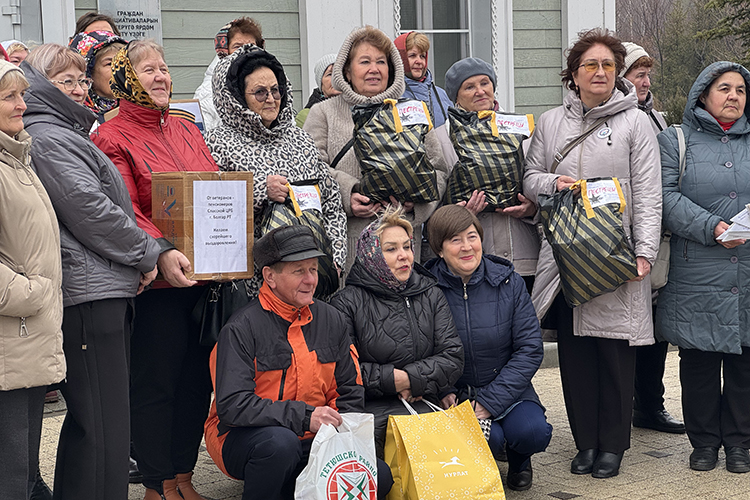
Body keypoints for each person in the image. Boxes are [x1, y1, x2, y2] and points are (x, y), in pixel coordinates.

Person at [22, 43, 161, 500]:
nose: (81, 89)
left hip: (99, 289)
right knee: (99, 427)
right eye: (68, 81)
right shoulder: (48, 137)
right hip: (88, 296)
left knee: (107, 428)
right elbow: (92, 211)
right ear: (42, 87)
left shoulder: (64, 132)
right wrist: (147, 253)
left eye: (83, 79)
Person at [523, 28, 661, 479]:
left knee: (615, 355)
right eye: (590, 65)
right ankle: (586, 443)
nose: (599, 72)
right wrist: (552, 183)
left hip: (615, 254)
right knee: (577, 356)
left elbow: (647, 192)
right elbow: (531, 178)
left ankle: (613, 447)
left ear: (617, 72)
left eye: (607, 65)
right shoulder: (550, 122)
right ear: (574, 74)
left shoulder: (636, 122)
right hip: (566, 256)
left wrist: (643, 252)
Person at [92, 40, 220, 500]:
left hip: (204, 279)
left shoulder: (187, 128)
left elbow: (215, 186)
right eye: (148, 70)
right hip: (156, 284)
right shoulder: (111, 136)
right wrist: (161, 250)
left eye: (164, 69)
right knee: (156, 383)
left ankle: (182, 477)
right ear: (127, 78)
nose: (161, 77)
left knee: (194, 381)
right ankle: (155, 484)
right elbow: (122, 208)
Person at [204, 225, 394, 499]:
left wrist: (336, 436)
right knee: (280, 445)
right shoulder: (240, 328)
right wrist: (306, 417)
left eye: (313, 269)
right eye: (298, 271)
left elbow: (350, 390)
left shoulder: (332, 320)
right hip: (242, 438)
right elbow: (234, 406)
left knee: (379, 476)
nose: (310, 280)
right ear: (269, 276)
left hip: (315, 437)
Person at [656, 60, 750, 474]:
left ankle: (740, 443)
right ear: (703, 95)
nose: (733, 96)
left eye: (741, 90)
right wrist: (713, 227)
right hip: (697, 268)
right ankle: (705, 443)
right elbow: (665, 197)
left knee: (746, 363)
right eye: (724, 88)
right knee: (698, 363)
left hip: (746, 269)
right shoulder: (675, 141)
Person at [424, 205, 552, 491]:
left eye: (472, 236)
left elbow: (530, 348)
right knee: (489, 438)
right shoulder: (427, 289)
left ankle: (520, 460)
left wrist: (490, 402)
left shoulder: (509, 282)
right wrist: (444, 391)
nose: (467, 247)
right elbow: (422, 350)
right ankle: (487, 457)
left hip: (508, 387)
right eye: (455, 240)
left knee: (532, 432)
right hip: (456, 395)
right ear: (439, 249)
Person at [203, 44, 346, 299]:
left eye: (275, 90)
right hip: (254, 288)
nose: (271, 99)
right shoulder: (217, 142)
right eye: (259, 92)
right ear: (237, 97)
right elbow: (209, 210)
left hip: (311, 283)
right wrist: (260, 191)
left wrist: (336, 259)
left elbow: (332, 202)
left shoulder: (300, 140)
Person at [304, 26, 449, 271]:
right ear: (347, 72)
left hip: (403, 248)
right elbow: (309, 167)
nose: (374, 69)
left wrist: (416, 204)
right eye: (365, 62)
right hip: (348, 246)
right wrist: (347, 194)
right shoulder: (324, 113)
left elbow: (439, 170)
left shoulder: (412, 111)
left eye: (381, 61)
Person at [329, 206, 464, 454]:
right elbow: (341, 370)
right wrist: (393, 380)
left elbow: (452, 357)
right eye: (391, 249)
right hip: (369, 412)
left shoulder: (430, 293)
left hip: (422, 402)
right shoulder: (346, 302)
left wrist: (412, 379)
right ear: (371, 255)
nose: (404, 255)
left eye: (407, 246)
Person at [0, 58, 64, 500]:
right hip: (13, 332)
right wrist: (31, 293)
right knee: (10, 474)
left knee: (23, 473)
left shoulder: (18, 158)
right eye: (9, 97)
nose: (23, 105)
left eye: (23, 94)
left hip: (29, 336)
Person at [618, 42, 684, 435]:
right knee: (627, 328)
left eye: (647, 74)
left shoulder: (658, 119)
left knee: (655, 325)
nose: (645, 81)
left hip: (659, 235)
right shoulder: (612, 119)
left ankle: (650, 404)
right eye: (637, 74)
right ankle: (620, 405)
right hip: (620, 233)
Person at [442, 57, 540, 286]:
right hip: (470, 261)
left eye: (485, 83)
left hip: (524, 258)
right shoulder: (441, 138)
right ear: (456, 96)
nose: (480, 92)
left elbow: (537, 179)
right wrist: (460, 216)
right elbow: (436, 204)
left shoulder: (521, 130)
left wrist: (532, 209)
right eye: (469, 87)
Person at [194, 17, 263, 132]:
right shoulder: (207, 93)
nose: (244, 52)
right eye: (237, 46)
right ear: (225, 51)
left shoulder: (272, 85)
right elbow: (201, 140)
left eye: (251, 46)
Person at [394, 31, 452, 128]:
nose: (419, 61)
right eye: (412, 56)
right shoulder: (392, 95)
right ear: (399, 58)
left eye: (422, 56)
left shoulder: (441, 95)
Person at [68, 30, 127, 120]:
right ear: (88, 72)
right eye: (109, 64)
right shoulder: (71, 116)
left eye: (124, 63)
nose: (120, 70)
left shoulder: (136, 110)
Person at [295, 53, 340, 128]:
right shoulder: (307, 116)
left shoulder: (357, 107)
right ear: (320, 83)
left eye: (340, 73)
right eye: (329, 74)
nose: (336, 78)